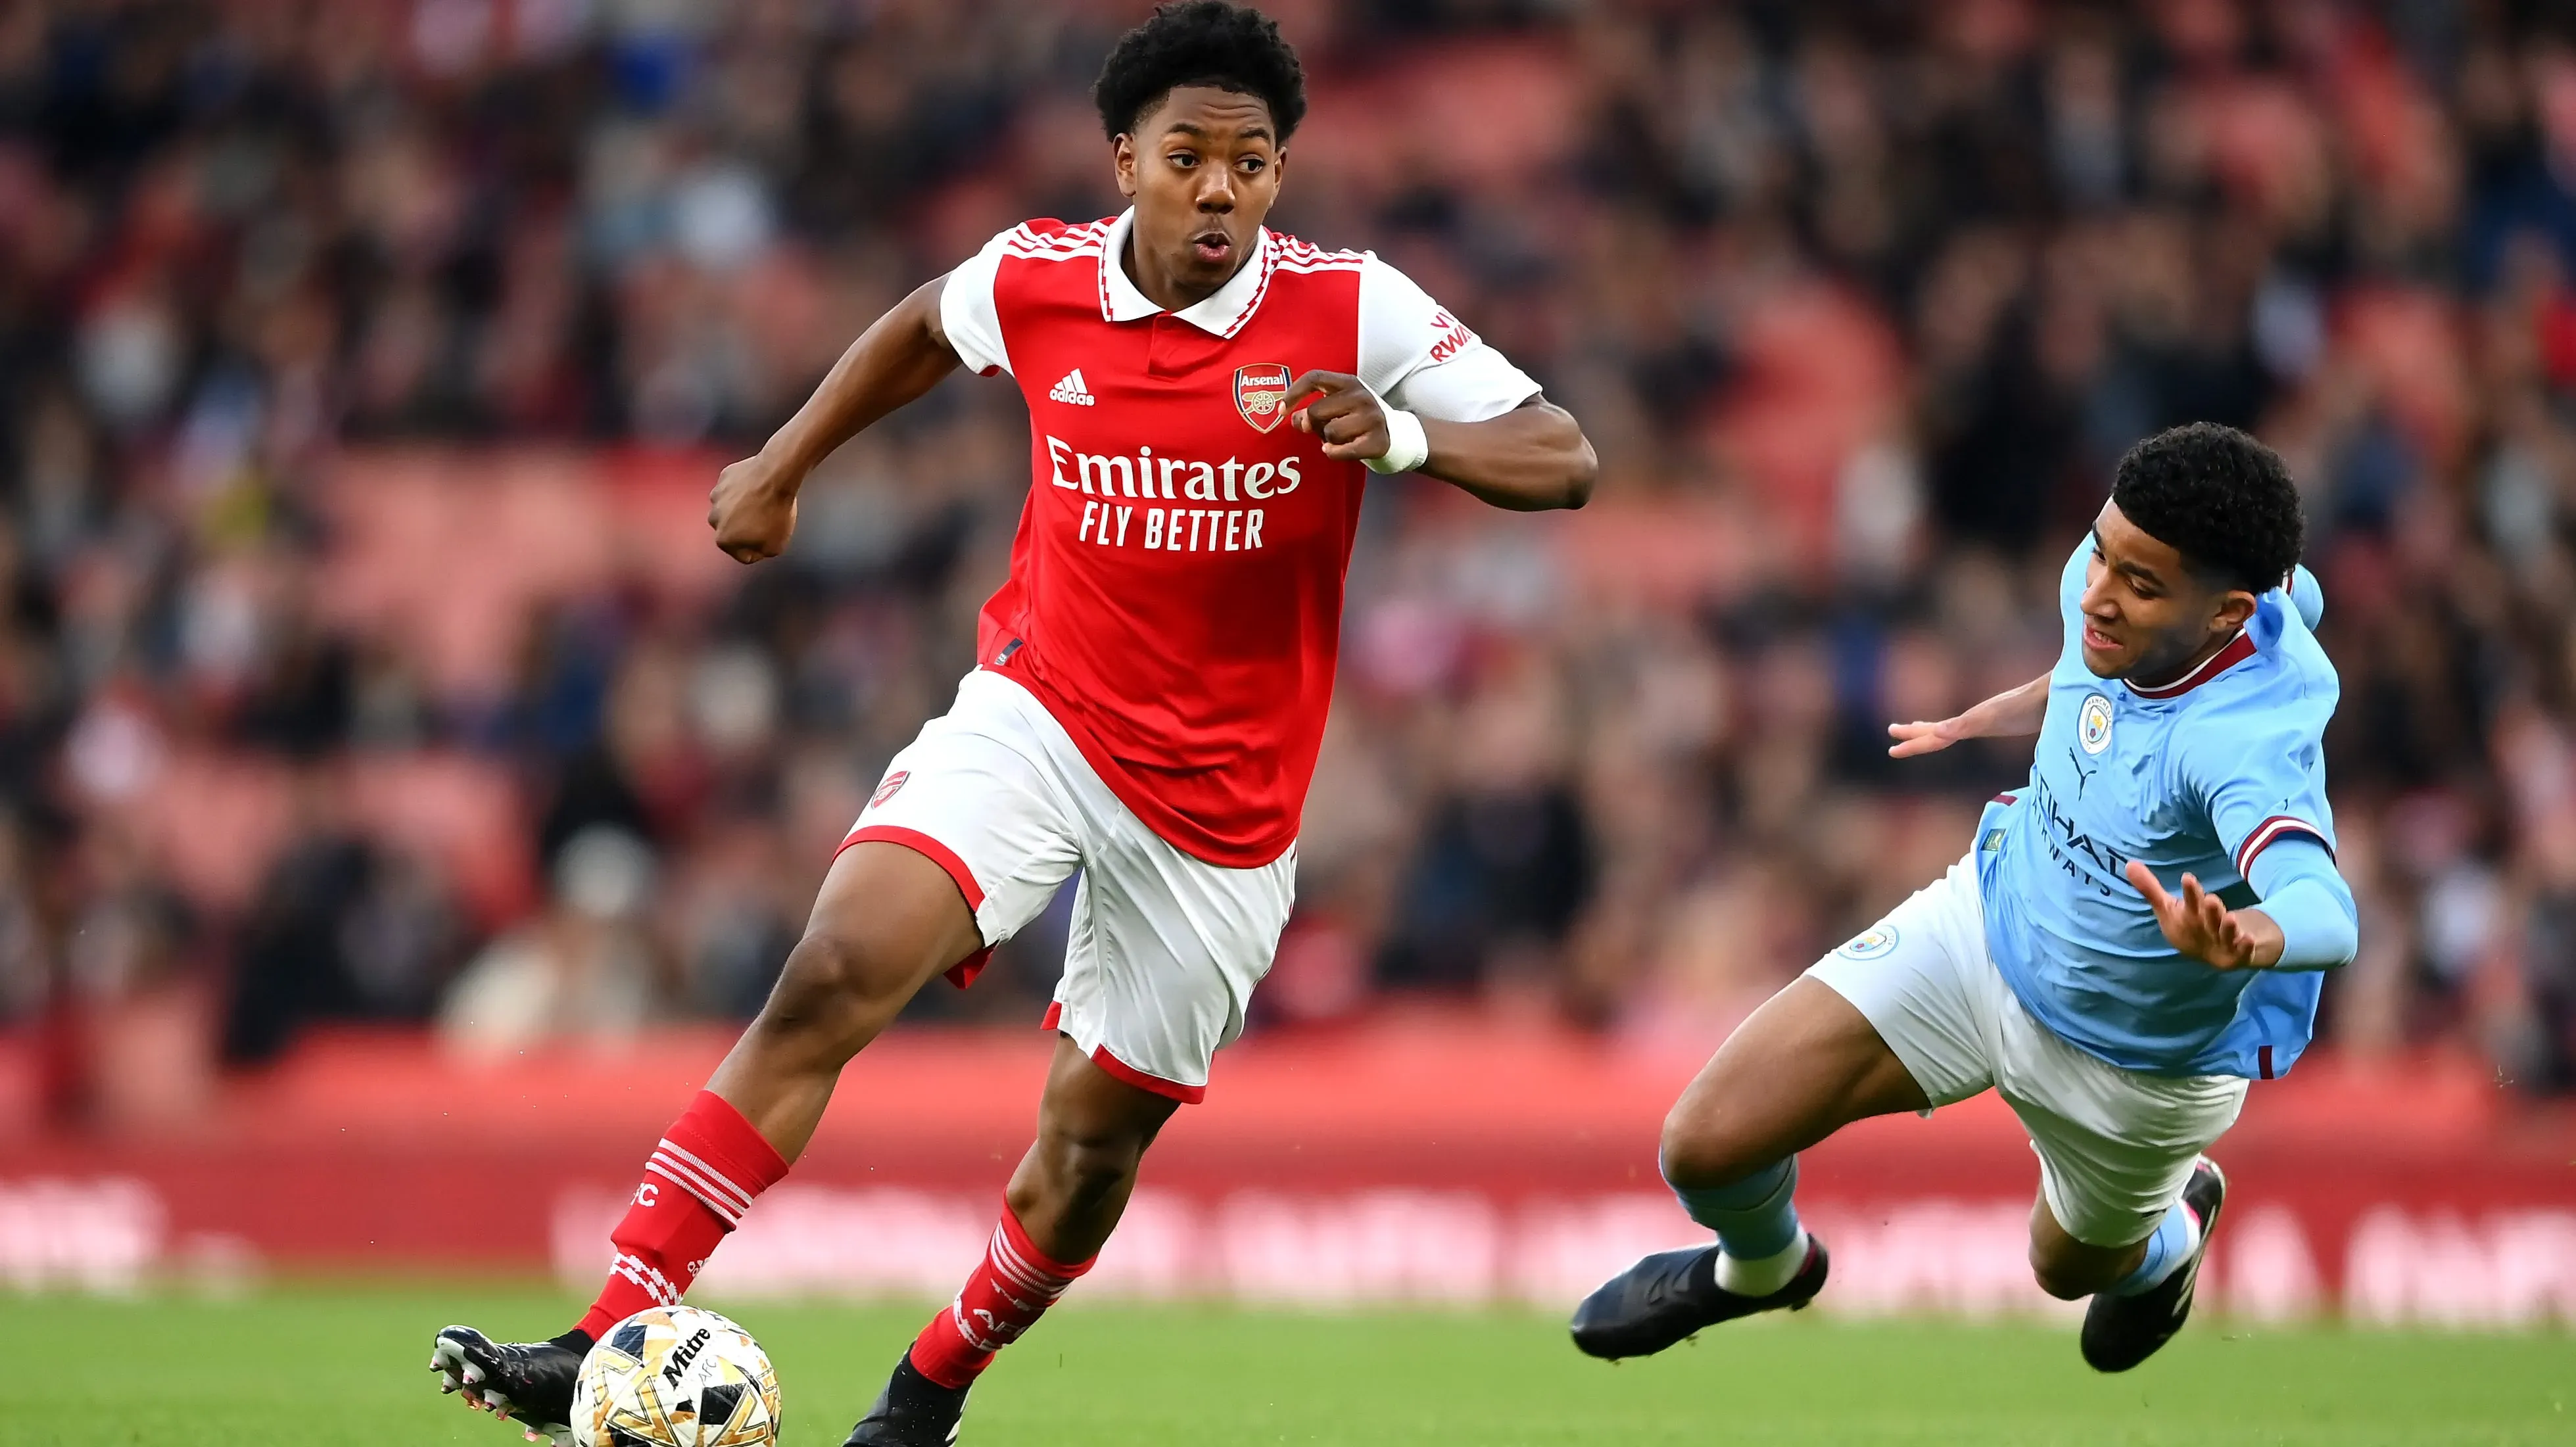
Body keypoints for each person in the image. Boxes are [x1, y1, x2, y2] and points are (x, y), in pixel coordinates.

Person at [429, 4, 1596, 1444]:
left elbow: (1566, 455)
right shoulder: (1039, 278)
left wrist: (1407, 434)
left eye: (1252, 161)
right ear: (1127, 161)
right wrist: (783, 462)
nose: (1220, 187)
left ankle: (931, 1386)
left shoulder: (1352, 309)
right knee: (838, 961)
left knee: (1082, 1160)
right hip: (1042, 711)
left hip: (1223, 815)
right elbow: (925, 325)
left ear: (1281, 175)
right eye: (1189, 156)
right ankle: (608, 1329)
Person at [1570, 422, 2354, 1373]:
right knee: (1702, 1144)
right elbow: (2099, 666)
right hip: (1987, 923)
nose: (2096, 594)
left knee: (2065, 1271)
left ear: (2229, 614)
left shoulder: (2243, 743)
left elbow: (2325, 909)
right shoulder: (2122, 580)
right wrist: (1996, 711)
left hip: (2130, 1068)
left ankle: (2170, 1239)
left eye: (2139, 586)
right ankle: (1762, 1270)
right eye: (2101, 554)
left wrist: (2248, 935)